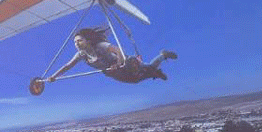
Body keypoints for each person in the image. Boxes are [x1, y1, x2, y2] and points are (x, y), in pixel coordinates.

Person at [47, 27, 177, 85]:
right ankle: (156, 72)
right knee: (135, 80)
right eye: (75, 42)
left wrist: (118, 63)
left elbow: (118, 51)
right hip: (113, 72)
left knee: (148, 68)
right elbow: (67, 66)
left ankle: (162, 56)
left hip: (125, 63)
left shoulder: (100, 46)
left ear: (88, 41)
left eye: (80, 41)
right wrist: (54, 76)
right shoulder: (81, 55)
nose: (77, 44)